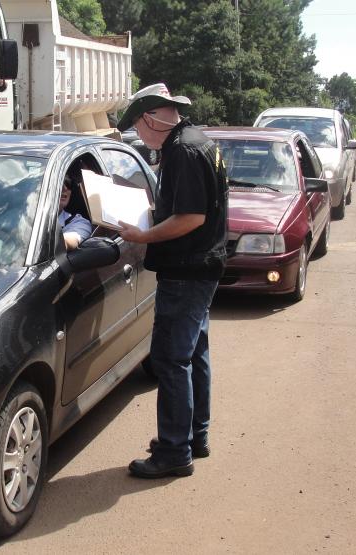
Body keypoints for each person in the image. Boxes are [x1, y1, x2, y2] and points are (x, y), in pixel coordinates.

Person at [115, 83, 228, 479]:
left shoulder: (182, 151)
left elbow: (191, 217)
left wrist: (144, 235)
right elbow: (189, 206)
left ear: (151, 118)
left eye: (136, 125)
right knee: (194, 353)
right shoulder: (198, 141)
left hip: (186, 271)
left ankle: (174, 451)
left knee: (170, 359)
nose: (137, 133)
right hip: (201, 267)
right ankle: (195, 437)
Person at [59, 175, 92, 250]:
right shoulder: (31, 215)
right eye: (59, 183)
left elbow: (70, 240)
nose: (65, 188)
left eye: (68, 184)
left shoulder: (78, 222)